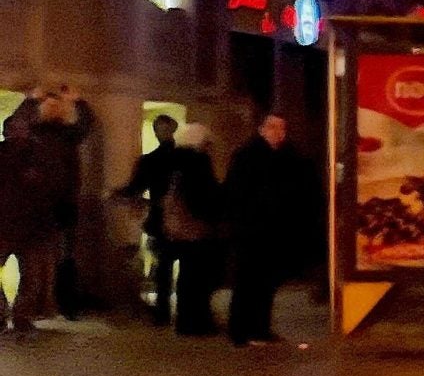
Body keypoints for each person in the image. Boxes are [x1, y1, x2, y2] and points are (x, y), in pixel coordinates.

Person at [223, 114, 317, 345]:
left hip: (276, 230)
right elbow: (235, 192)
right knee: (247, 281)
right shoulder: (246, 156)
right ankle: (241, 331)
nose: (278, 132)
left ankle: (261, 328)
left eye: (282, 128)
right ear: (262, 129)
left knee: (267, 282)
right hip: (251, 229)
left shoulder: (289, 157)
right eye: (273, 127)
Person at [26, 88, 92, 319]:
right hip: (41, 205)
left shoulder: (66, 135)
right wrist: (31, 100)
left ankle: (62, 304)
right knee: (39, 257)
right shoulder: (34, 134)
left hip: (61, 204)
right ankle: (42, 304)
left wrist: (78, 101)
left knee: (63, 256)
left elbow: (86, 124)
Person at [161, 123, 224, 336]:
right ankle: (196, 321)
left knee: (188, 275)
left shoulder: (173, 161)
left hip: (180, 227)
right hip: (196, 227)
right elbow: (204, 195)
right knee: (198, 276)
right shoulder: (198, 162)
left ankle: (186, 320)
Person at [119, 113, 181, 322]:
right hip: (186, 219)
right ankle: (185, 308)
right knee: (184, 265)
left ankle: (162, 311)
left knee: (163, 264)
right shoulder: (186, 158)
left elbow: (135, 187)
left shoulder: (150, 160)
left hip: (160, 216)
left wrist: (117, 193)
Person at [0, 102, 50, 335]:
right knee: (30, 276)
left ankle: (21, 316)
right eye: (14, 129)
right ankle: (4, 314)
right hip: (6, 224)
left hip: (32, 226)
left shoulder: (40, 156)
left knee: (31, 277)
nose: (18, 132)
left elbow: (51, 188)